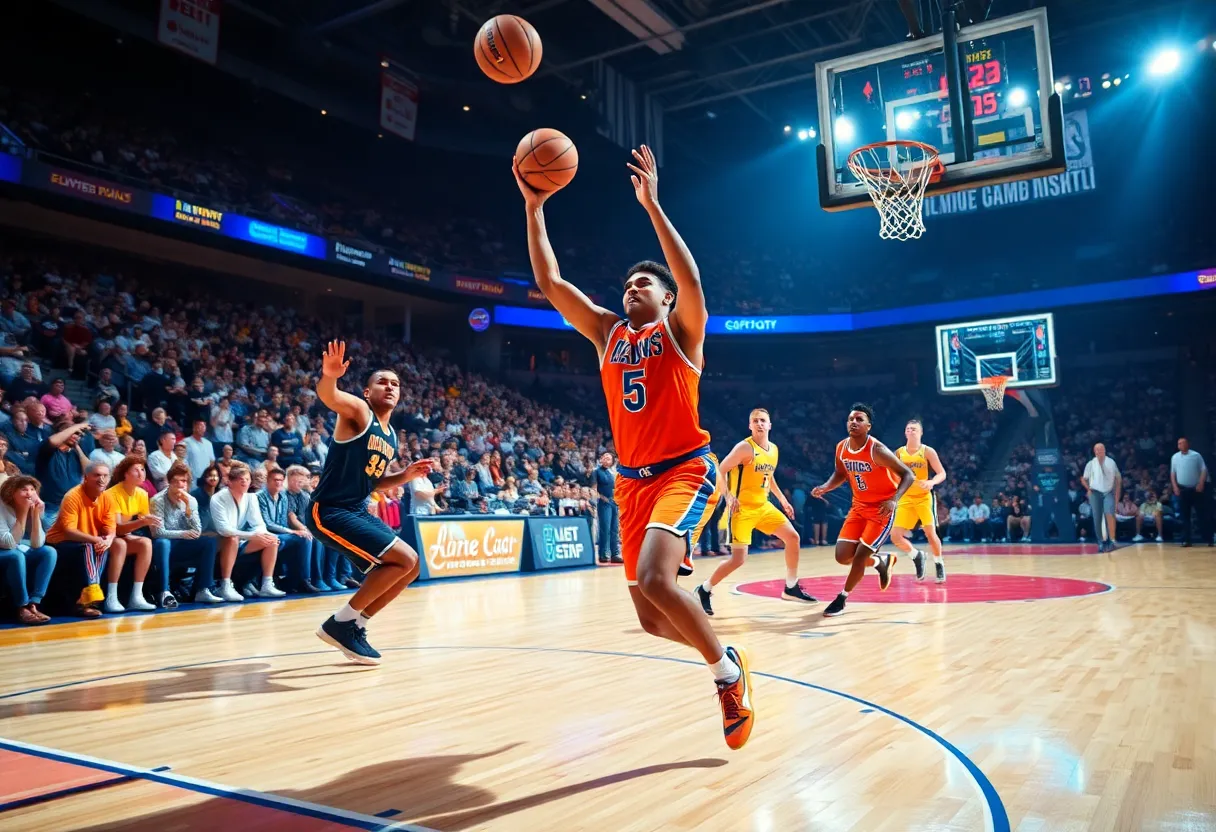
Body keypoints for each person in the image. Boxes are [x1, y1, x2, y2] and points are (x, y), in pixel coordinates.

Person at [515, 143, 754, 750]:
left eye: (643, 282)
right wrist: (534, 207)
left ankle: (726, 679)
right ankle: (726, 654)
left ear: (666, 297)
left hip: (685, 471)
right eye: (626, 283)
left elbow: (693, 278)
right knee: (651, 619)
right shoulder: (606, 332)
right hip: (631, 481)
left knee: (654, 579)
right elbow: (549, 281)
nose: (631, 288)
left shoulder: (682, 333)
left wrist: (651, 205)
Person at [307, 342, 435, 665]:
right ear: (367, 392)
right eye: (383, 382)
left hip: (355, 509)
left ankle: (357, 625)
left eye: (395, 384)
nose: (390, 387)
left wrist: (403, 476)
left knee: (412, 565)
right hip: (329, 510)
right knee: (404, 558)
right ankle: (340, 622)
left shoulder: (391, 436)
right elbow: (331, 397)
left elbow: (373, 481)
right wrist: (329, 377)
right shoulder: (360, 413)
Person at [696, 408, 815, 616]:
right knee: (738, 559)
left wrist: (783, 501)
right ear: (749, 426)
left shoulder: (774, 450)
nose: (759, 423)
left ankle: (791, 586)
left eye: (763, 420)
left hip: (764, 506)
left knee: (793, 538)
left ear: (770, 425)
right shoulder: (744, 448)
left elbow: (770, 477)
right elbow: (721, 470)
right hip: (742, 509)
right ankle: (704, 589)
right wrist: (728, 496)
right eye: (755, 421)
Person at [811, 403, 915, 618]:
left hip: (881, 509)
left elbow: (908, 475)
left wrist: (894, 500)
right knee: (842, 556)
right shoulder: (841, 447)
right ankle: (881, 561)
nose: (854, 422)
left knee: (859, 557)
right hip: (858, 507)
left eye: (859, 419)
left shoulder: (877, 450)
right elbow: (840, 473)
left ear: (868, 426)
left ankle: (841, 598)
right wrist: (826, 487)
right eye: (851, 419)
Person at [46, 461, 120, 618]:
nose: (101, 479)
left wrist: (108, 540)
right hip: (59, 542)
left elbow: (111, 527)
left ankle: (88, 599)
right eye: (97, 475)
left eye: (105, 476)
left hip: (87, 541)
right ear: (86, 477)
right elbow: (69, 531)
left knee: (101, 548)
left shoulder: (107, 498)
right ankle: (92, 592)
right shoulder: (72, 496)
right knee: (89, 546)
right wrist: (97, 540)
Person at [210, 460, 284, 600]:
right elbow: (224, 529)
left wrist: (261, 534)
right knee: (232, 538)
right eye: (240, 479)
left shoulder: (251, 497)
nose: (244, 482)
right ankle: (225, 585)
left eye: (247, 479)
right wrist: (252, 536)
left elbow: (259, 524)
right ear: (230, 482)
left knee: (272, 540)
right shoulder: (218, 498)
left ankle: (266, 585)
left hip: (240, 539)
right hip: (218, 542)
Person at [152, 462, 221, 604]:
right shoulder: (157, 500)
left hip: (181, 545)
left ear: (187, 483)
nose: (179, 485)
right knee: (163, 542)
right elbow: (158, 532)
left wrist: (188, 508)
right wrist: (182, 533)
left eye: (183, 481)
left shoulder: (191, 500)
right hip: (163, 545)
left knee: (209, 542)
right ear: (169, 483)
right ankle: (164, 591)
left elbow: (197, 531)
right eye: (175, 481)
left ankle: (202, 590)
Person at [889, 419, 947, 583]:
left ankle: (938, 563)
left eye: (914, 429)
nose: (910, 430)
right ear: (905, 432)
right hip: (906, 498)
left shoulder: (927, 451)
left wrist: (931, 482)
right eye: (908, 428)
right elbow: (891, 474)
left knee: (930, 533)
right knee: (895, 536)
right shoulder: (899, 453)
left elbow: (941, 473)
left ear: (921, 433)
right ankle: (917, 556)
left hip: (923, 498)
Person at [103, 455, 162, 612]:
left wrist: (151, 521)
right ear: (125, 474)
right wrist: (142, 522)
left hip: (121, 535)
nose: (141, 473)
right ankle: (111, 597)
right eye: (135, 470)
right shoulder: (111, 494)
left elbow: (142, 520)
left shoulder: (142, 493)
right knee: (121, 544)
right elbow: (117, 528)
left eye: (142, 469)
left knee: (145, 542)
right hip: (103, 536)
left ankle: (137, 596)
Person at [0, 475, 57, 624]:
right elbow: (8, 544)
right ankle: (22, 607)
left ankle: (34, 604)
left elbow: (37, 544)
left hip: (15, 548)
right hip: (5, 549)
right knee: (16, 555)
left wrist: (36, 515)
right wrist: (23, 514)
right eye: (24, 490)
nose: (29, 493)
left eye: (32, 490)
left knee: (49, 552)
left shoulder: (31, 506)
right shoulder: (1, 507)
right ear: (11, 492)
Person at [1082, 442, 1120, 552]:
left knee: (1109, 514)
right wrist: (1088, 489)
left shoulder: (1111, 462)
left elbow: (1117, 477)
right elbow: (1084, 478)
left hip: (1108, 492)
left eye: (1101, 449)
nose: (1099, 451)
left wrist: (1115, 489)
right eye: (1097, 449)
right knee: (1097, 517)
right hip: (1095, 492)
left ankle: (1111, 540)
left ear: (1105, 450)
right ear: (1095, 452)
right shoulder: (1090, 464)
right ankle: (1100, 541)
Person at [1170, 437, 1208, 548]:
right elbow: (1172, 473)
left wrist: (1201, 483)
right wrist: (1175, 487)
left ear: (1188, 444)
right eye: (1178, 443)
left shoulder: (1196, 455)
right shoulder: (1175, 457)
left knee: (1202, 514)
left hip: (1196, 489)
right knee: (1184, 516)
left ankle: (1208, 538)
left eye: (1181, 443)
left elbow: (1203, 470)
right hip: (1182, 489)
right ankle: (1187, 540)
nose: (1179, 445)